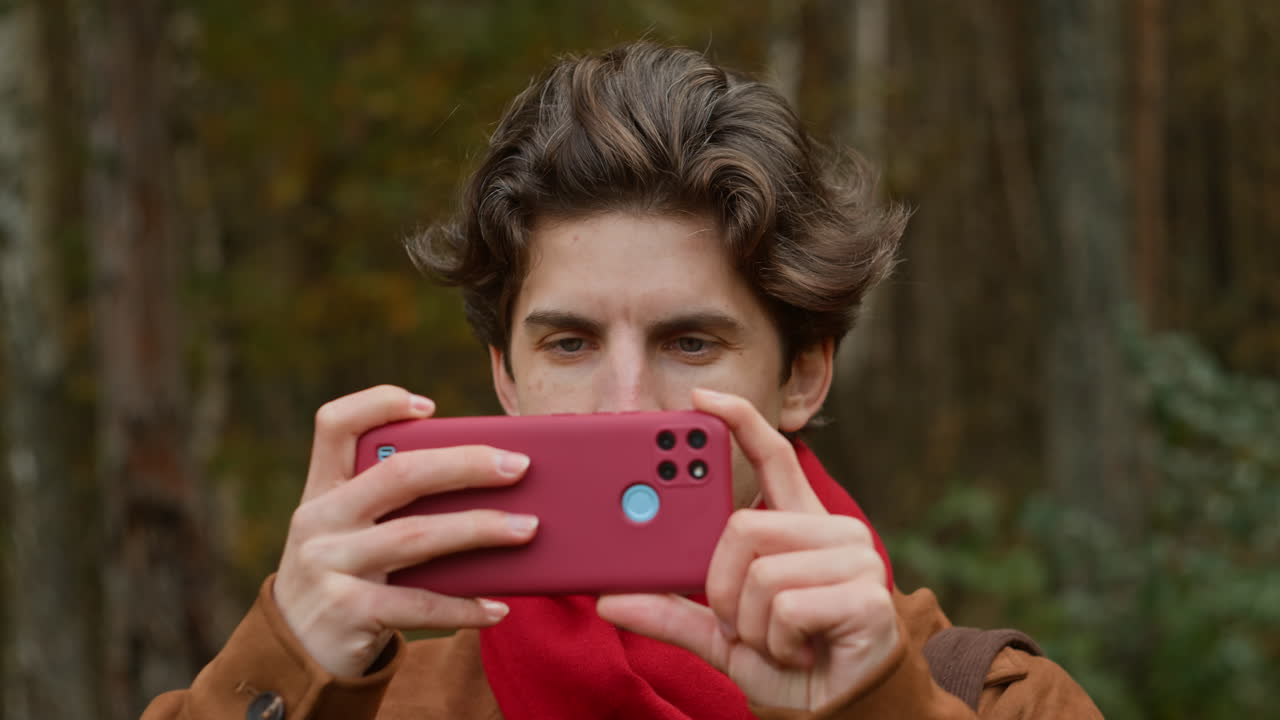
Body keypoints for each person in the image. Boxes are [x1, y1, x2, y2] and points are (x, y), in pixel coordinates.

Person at [143, 42, 1100, 719]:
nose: (626, 401)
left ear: (803, 377)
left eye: (691, 343)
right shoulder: (373, 703)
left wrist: (874, 709)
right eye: (569, 345)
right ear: (504, 379)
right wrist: (287, 663)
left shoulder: (991, 701)